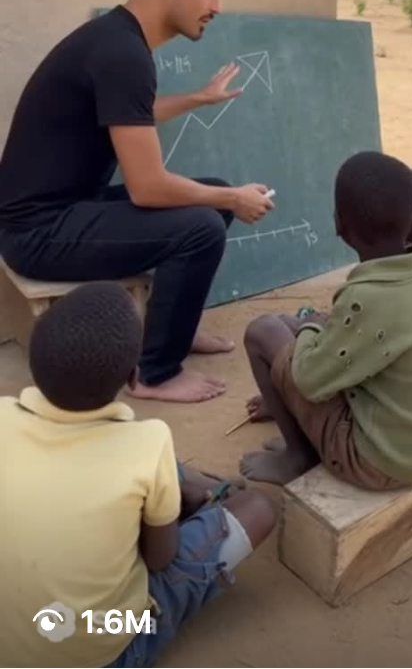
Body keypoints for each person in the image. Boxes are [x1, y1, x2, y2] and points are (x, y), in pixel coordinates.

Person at [0, 0, 275, 403]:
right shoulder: (123, 53)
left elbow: (129, 113)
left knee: (209, 198)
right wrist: (234, 198)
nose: (217, 6)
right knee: (203, 223)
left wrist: (197, 98)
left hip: (62, 211)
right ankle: (155, 373)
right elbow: (148, 187)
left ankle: (175, 327)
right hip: (37, 232)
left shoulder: (116, 39)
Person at [0, 282, 276, 668]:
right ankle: (205, 496)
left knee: (148, 468)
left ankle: (193, 493)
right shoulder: (149, 442)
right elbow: (160, 560)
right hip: (111, 651)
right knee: (258, 507)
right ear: (133, 377)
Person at [239, 151, 412, 488]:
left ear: (339, 223)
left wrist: (312, 326)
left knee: (263, 332)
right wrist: (314, 327)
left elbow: (309, 380)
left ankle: (298, 456)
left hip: (380, 464)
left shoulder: (367, 297)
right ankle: (295, 420)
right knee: (294, 326)